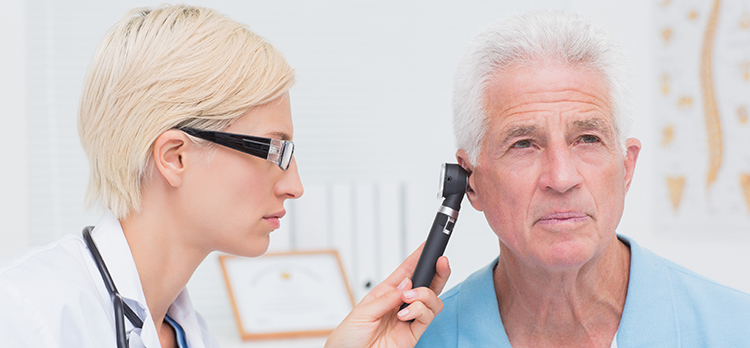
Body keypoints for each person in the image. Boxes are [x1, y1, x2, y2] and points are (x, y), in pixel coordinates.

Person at [0, 5, 450, 347]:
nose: (294, 185)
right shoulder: (28, 315)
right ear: (175, 156)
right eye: (275, 150)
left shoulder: (185, 328)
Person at [415, 10, 750, 348]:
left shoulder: (738, 330)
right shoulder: (418, 341)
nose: (561, 178)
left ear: (626, 167)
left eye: (588, 139)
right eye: (523, 144)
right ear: (470, 181)